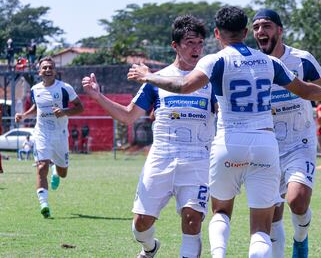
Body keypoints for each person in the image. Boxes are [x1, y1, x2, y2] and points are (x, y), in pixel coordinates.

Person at [128, 6, 321, 258]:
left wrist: (148, 76)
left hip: (229, 143)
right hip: (265, 144)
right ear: (246, 31)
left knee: (222, 213)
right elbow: (306, 91)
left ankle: (218, 255)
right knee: (261, 227)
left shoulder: (214, 60)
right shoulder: (270, 62)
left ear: (217, 33)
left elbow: (182, 85)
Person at [82, 15, 217, 258]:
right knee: (141, 224)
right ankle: (150, 247)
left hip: (198, 159)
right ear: (175, 46)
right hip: (161, 157)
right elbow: (128, 116)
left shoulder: (210, 81)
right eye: (189, 43)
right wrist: (97, 97)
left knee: (192, 219)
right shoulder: (156, 80)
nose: (196, 49)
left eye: (200, 43)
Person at [252, 8, 321, 258]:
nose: (260, 31)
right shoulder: (253, 65)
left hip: (298, 141)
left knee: (297, 200)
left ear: (279, 30)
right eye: (256, 27)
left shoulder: (301, 59)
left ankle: (300, 239)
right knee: (272, 214)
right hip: (266, 144)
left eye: (266, 26)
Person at [15, 56, 84, 218]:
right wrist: (24, 115)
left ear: (55, 71)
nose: (47, 70)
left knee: (63, 173)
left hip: (60, 135)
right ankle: (44, 204)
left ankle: (56, 170)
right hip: (42, 133)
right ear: (39, 72)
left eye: (50, 67)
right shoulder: (35, 89)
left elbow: (80, 108)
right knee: (40, 167)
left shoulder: (65, 88)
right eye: (44, 67)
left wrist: (64, 112)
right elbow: (36, 107)